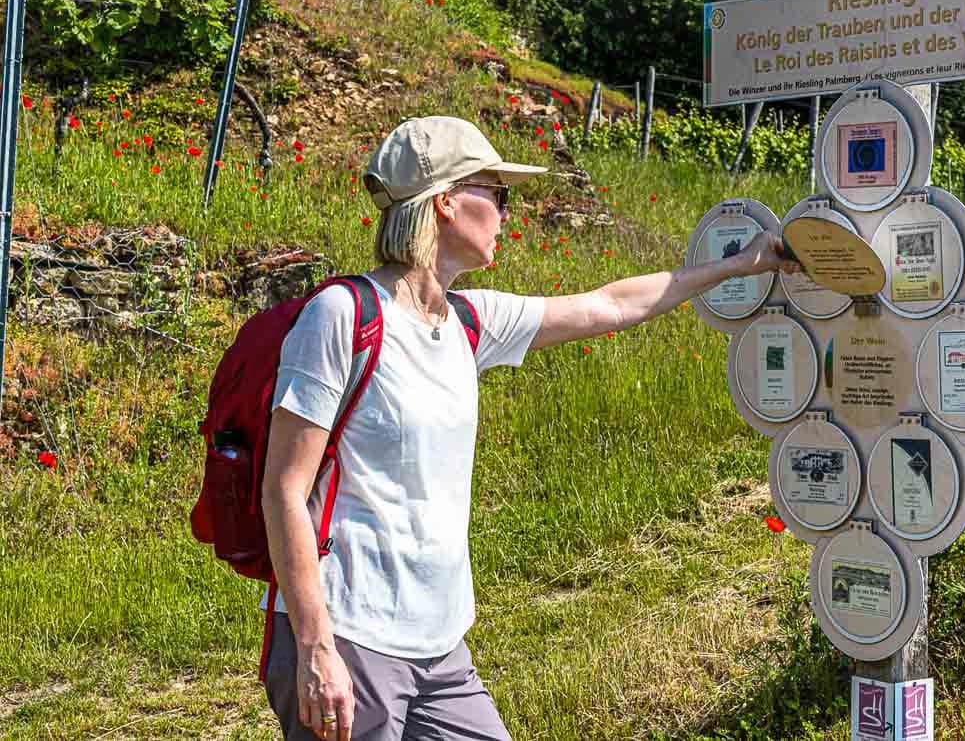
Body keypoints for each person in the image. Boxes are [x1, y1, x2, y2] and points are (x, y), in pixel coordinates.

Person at [261, 116, 796, 741]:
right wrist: (316, 647)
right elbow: (284, 490)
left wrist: (739, 265)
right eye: (497, 193)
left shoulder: (468, 322)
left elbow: (609, 305)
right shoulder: (341, 316)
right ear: (445, 203)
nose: (506, 212)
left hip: (439, 643)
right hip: (350, 633)